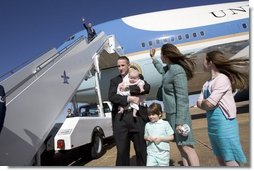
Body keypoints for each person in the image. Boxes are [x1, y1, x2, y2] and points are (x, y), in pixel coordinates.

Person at [150, 43, 200, 166]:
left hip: (179, 116)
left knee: (188, 148)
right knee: (181, 148)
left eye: (161, 54)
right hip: (172, 115)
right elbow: (161, 70)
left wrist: (180, 122)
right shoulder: (168, 69)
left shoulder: (177, 70)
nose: (160, 56)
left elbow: (182, 98)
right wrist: (153, 58)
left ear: (166, 55)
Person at [196, 50, 248, 166]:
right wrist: (205, 103)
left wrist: (204, 103)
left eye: (205, 60)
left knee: (229, 158)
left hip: (225, 124)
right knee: (220, 157)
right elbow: (200, 103)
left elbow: (209, 104)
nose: (203, 63)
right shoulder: (207, 83)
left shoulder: (222, 79)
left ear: (211, 63)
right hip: (213, 126)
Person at [108, 56, 150, 166]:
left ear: (128, 65)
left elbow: (147, 88)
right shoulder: (114, 81)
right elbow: (112, 97)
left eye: (122, 65)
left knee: (141, 150)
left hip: (137, 117)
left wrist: (127, 89)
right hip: (121, 119)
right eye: (118, 66)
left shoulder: (137, 76)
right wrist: (129, 98)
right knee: (121, 152)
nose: (120, 68)